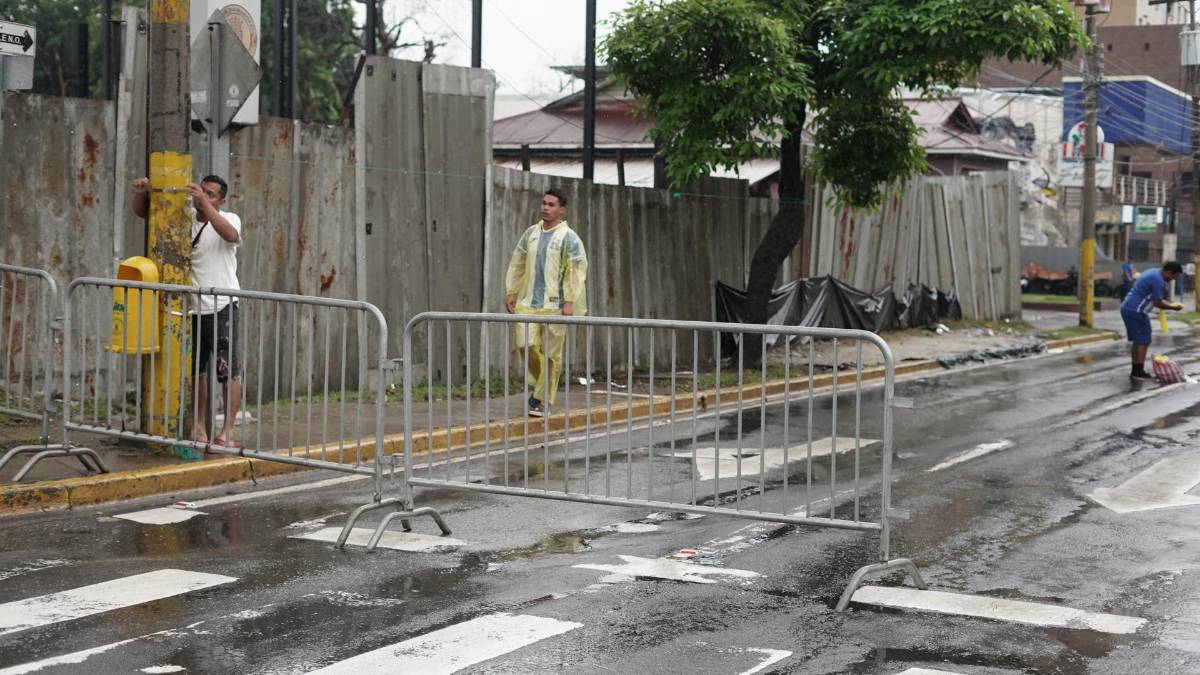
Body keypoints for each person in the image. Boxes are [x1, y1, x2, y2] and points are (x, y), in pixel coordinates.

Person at [132, 175, 244, 447]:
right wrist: (141, 193)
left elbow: (231, 235)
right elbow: (144, 213)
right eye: (201, 191)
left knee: (228, 371)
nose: (203, 196)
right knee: (198, 371)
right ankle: (199, 426)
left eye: (211, 194)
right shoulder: (185, 219)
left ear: (221, 200)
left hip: (222, 306)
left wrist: (206, 205)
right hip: (192, 309)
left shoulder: (230, 218)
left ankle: (227, 431)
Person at [504, 188, 588, 417]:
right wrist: (511, 290)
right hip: (528, 303)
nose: (545, 208)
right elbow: (518, 261)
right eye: (543, 203)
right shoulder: (530, 233)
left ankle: (542, 400)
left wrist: (569, 300)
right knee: (525, 345)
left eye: (551, 205)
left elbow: (575, 270)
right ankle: (540, 388)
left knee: (552, 355)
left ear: (562, 209)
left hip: (556, 306)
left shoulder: (569, 237)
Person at [1120, 260, 1183, 380]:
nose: (1172, 279)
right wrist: (1173, 307)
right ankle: (1138, 372)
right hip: (1136, 311)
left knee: (1139, 341)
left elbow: (1156, 299)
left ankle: (1136, 370)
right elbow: (1157, 302)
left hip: (1129, 308)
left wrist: (1169, 304)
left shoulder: (1153, 272)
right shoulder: (1158, 280)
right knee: (1143, 341)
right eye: (1173, 276)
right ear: (1169, 272)